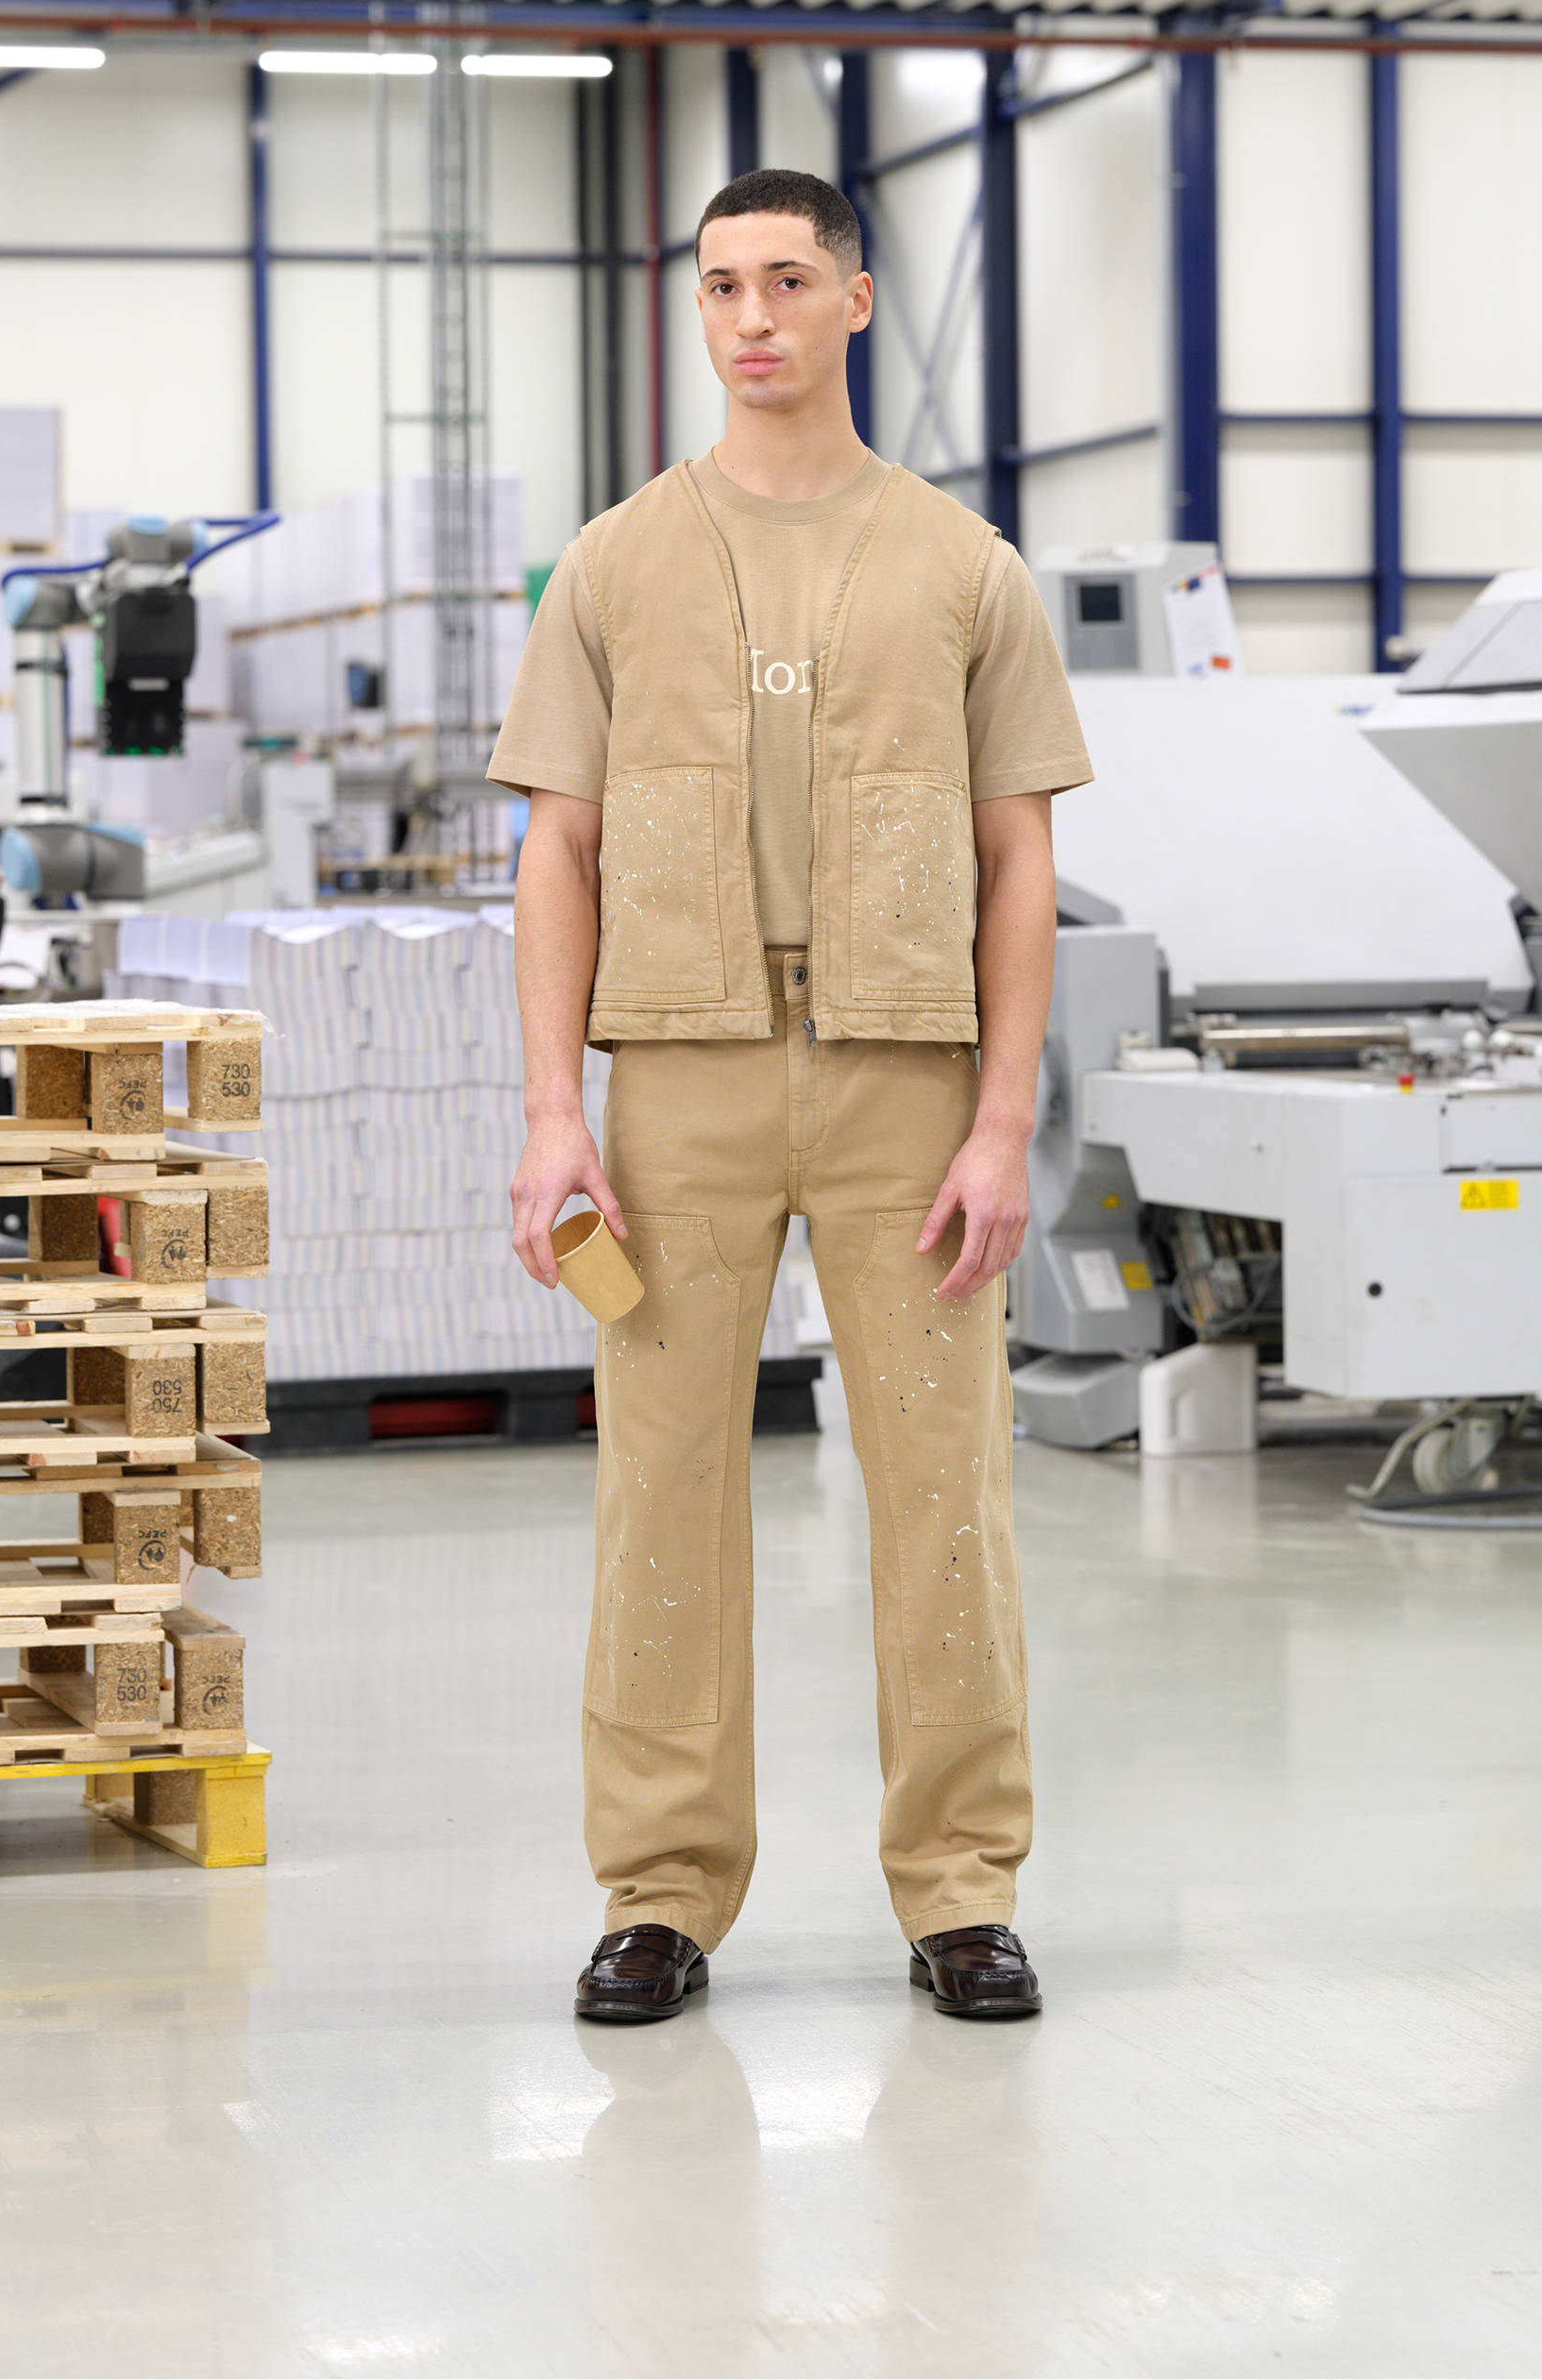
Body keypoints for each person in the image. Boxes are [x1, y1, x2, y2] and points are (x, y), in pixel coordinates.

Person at [487, 165, 1093, 2024]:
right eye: (720, 286)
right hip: (679, 1078)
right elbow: (559, 853)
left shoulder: (960, 567)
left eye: (784, 282)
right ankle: (658, 1893)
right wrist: (549, 1112)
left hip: (906, 1079)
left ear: (851, 299)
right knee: (661, 1492)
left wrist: (1002, 1124)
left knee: (944, 1491)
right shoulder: (613, 563)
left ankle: (960, 1892)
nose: (748, 318)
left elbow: (1014, 868)